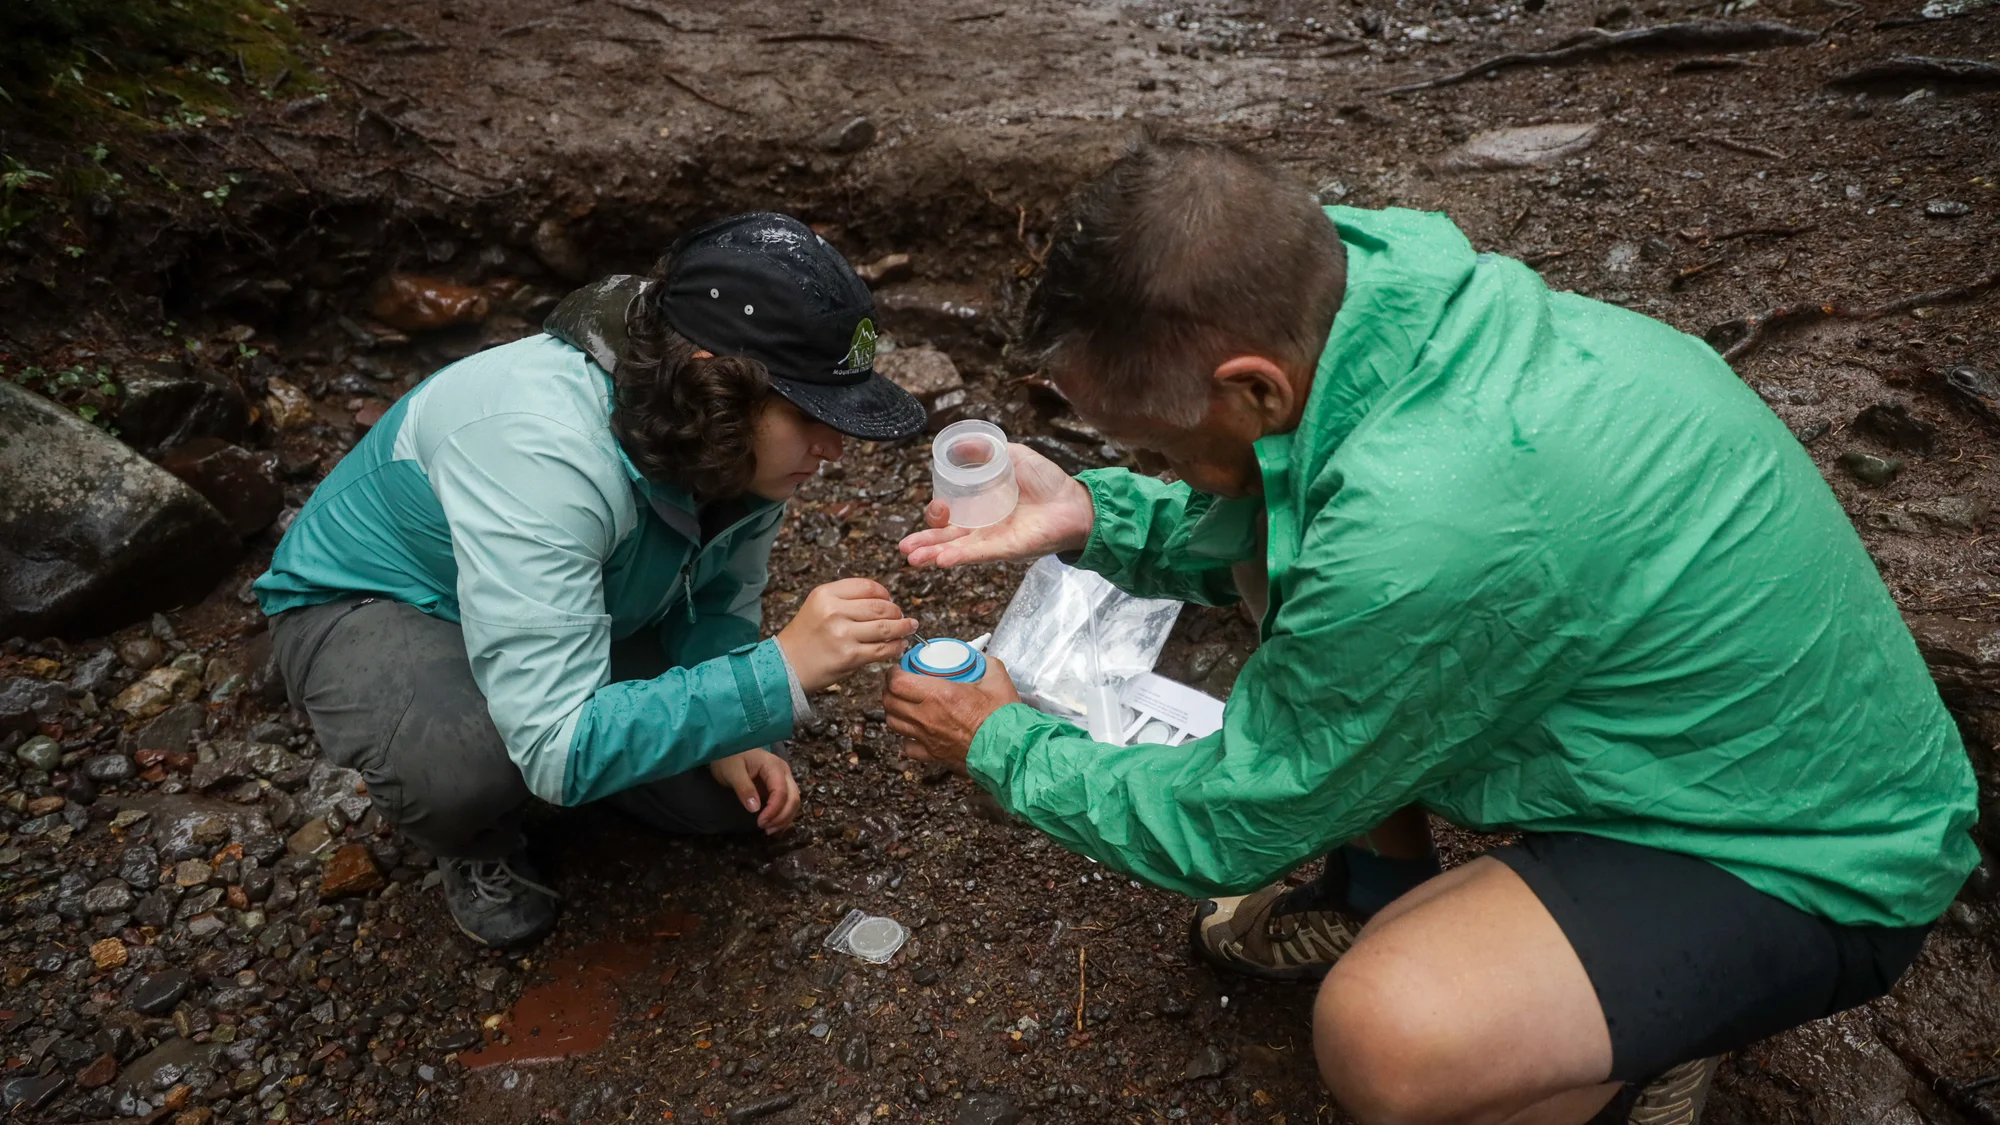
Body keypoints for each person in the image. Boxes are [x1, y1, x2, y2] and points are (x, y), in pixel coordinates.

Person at [885, 140, 1980, 1125]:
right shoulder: (1383, 303)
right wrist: (1099, 513)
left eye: (1156, 452)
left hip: (1797, 854)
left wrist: (1002, 740)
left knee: (1387, 1038)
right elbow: (1289, 516)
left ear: (1252, 386)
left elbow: (1229, 825)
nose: (1156, 470)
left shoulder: (1419, 529)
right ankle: (1380, 893)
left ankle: (1639, 1050)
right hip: (1684, 737)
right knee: (1284, 556)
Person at [256, 213, 926, 948]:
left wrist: (733, 713)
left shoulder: (722, 432)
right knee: (467, 768)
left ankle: (568, 719)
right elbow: (553, 745)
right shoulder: (545, 451)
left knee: (722, 801)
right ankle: (477, 840)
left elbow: (719, 594)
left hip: (581, 596)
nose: (833, 448)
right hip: (384, 599)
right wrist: (775, 673)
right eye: (808, 414)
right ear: (715, 378)